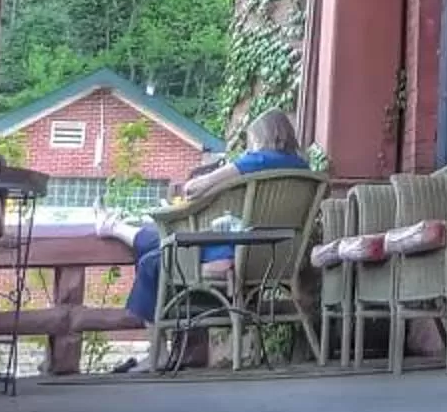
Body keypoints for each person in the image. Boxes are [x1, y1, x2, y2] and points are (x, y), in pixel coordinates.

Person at [103, 111, 309, 364]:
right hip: (279, 258)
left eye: (252, 140)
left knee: (154, 259)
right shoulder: (304, 169)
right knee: (158, 249)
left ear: (262, 138)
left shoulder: (256, 161)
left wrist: (214, 181)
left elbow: (194, 188)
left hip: (233, 256)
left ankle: (157, 353)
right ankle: (115, 227)